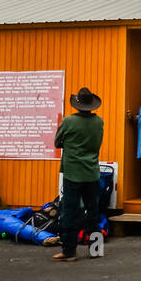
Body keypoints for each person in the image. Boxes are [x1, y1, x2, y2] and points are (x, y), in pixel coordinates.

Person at [52, 87, 105, 263]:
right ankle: (95, 249)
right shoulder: (99, 122)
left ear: (77, 105)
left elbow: (57, 142)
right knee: (93, 211)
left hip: (73, 173)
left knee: (69, 212)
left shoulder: (69, 121)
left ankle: (69, 252)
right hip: (91, 172)